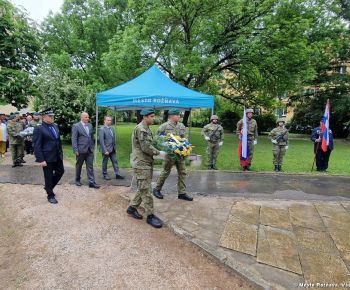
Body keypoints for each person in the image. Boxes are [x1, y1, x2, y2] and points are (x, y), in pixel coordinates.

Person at [127, 108, 165, 228]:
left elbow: (149, 144)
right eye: (152, 116)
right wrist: (159, 153)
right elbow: (146, 147)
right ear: (145, 117)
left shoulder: (146, 128)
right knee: (147, 190)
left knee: (143, 187)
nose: (154, 118)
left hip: (146, 162)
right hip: (141, 164)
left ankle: (132, 208)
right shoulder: (141, 129)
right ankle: (150, 216)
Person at [153, 108, 193, 201]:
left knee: (183, 172)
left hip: (180, 154)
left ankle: (182, 193)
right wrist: (164, 146)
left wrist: (185, 145)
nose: (179, 116)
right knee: (166, 171)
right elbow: (156, 139)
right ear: (171, 116)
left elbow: (184, 137)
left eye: (179, 115)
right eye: (177, 115)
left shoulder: (181, 125)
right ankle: (156, 189)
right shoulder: (164, 126)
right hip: (170, 154)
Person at [33, 108, 65, 204]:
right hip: (47, 157)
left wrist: (61, 153)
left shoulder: (55, 126)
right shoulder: (39, 128)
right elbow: (37, 146)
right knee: (48, 176)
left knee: (60, 171)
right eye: (50, 116)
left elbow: (58, 141)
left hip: (57, 155)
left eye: (52, 116)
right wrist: (41, 159)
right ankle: (50, 195)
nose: (52, 117)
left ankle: (48, 187)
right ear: (44, 117)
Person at [72, 112, 100, 188]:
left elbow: (91, 137)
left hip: (89, 150)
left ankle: (91, 182)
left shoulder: (90, 125)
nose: (88, 118)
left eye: (88, 117)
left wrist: (93, 146)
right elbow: (74, 139)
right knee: (79, 166)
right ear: (81, 117)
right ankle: (77, 180)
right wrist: (75, 150)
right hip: (80, 150)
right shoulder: (76, 126)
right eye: (86, 117)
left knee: (90, 166)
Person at [99, 116, 124, 180]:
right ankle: (105, 174)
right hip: (106, 150)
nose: (110, 121)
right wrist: (105, 150)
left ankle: (117, 174)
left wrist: (115, 148)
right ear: (104, 121)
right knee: (105, 162)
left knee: (115, 161)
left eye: (110, 120)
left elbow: (113, 139)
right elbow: (101, 141)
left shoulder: (112, 129)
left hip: (112, 149)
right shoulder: (102, 129)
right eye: (108, 120)